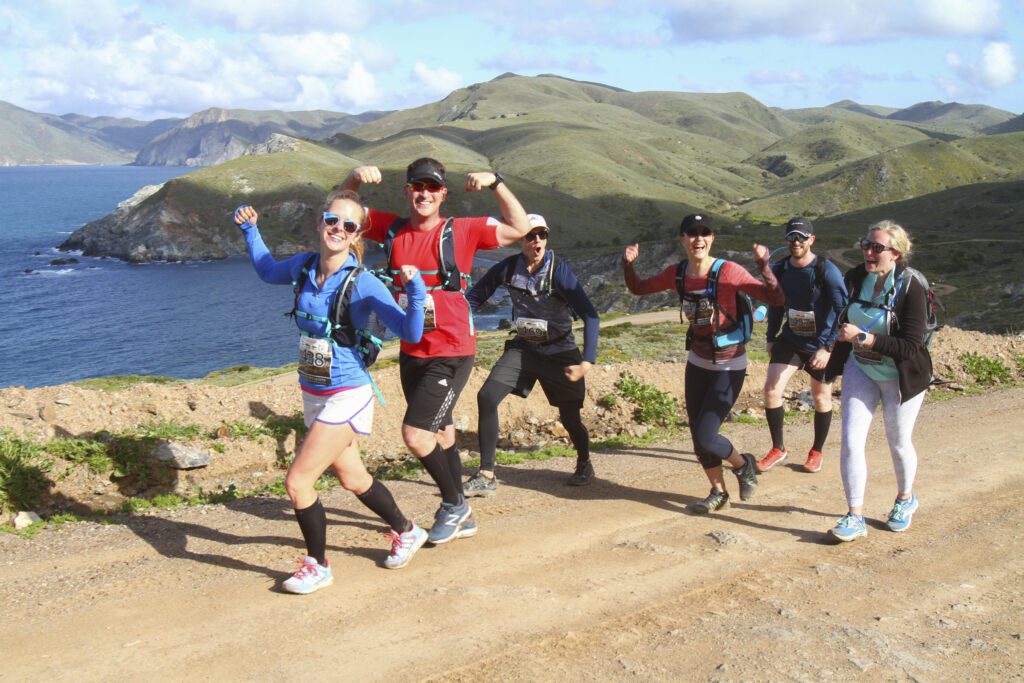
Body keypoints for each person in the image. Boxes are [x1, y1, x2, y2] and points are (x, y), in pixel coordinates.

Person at [234, 189, 427, 595]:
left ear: (358, 235)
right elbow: (268, 270)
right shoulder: (305, 266)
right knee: (353, 477)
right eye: (332, 220)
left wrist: (417, 293)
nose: (338, 229)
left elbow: (410, 332)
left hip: (348, 392)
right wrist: (251, 230)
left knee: (298, 483)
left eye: (349, 225)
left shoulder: (365, 283)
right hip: (314, 389)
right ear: (321, 223)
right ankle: (407, 531)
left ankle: (317, 565)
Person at [341, 158, 532, 544]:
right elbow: (337, 212)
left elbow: (520, 228)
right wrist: (354, 180)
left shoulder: (461, 230)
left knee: (415, 434)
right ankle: (463, 512)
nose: (424, 193)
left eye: (432, 187)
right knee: (441, 432)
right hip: (413, 349)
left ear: (443, 193)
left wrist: (496, 182)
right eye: (417, 187)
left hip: (453, 349)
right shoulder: (391, 228)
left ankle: (453, 505)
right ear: (407, 191)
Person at [622, 213, 783, 514]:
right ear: (682, 239)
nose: (698, 239)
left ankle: (743, 464)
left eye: (704, 233)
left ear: (712, 238)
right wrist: (628, 265)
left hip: (729, 364)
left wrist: (764, 267)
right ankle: (718, 492)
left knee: (707, 435)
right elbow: (639, 289)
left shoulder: (729, 271)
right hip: (697, 361)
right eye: (691, 233)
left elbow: (774, 299)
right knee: (698, 437)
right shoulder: (678, 273)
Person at [463, 214, 600, 495]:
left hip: (561, 352)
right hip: (524, 349)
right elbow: (473, 299)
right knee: (487, 396)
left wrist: (586, 361)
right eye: (530, 235)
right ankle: (486, 474)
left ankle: (584, 462)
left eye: (542, 234)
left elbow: (591, 316)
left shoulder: (558, 271)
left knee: (570, 418)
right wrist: (447, 319)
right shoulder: (508, 267)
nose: (537, 240)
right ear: (520, 239)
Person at [826, 220, 932, 542]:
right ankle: (854, 515)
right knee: (850, 440)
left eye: (876, 247)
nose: (868, 252)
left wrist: (866, 338)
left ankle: (904, 499)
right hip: (862, 368)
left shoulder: (911, 287)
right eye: (865, 244)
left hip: (901, 376)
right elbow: (839, 316)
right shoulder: (857, 276)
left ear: (895, 253)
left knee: (898, 442)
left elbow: (911, 345)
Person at [759, 217, 849, 474]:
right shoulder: (780, 269)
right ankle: (779, 448)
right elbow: (776, 304)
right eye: (791, 237)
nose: (796, 242)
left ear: (811, 240)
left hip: (820, 343)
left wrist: (828, 348)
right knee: (771, 389)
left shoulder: (826, 270)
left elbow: (843, 311)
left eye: (801, 237)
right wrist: (770, 337)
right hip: (791, 338)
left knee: (821, 397)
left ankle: (816, 451)